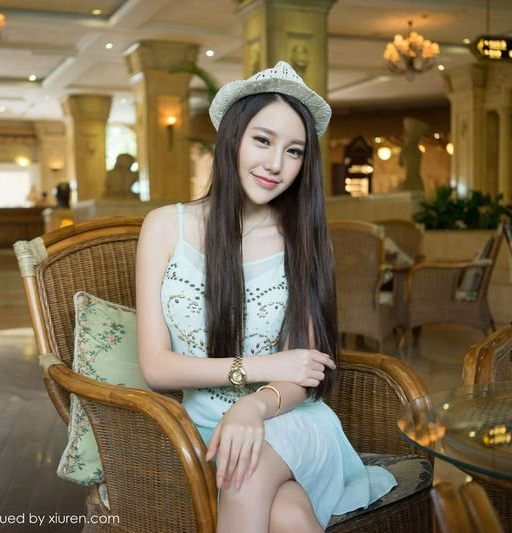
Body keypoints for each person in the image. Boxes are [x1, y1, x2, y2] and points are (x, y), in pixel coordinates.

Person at [136, 61, 396, 532]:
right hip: (201, 431)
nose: (276, 164)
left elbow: (305, 372)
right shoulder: (164, 227)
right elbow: (156, 367)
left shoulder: (302, 242)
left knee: (246, 470)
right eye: (263, 140)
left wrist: (253, 405)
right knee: (288, 515)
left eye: (294, 151)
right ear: (232, 139)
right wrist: (261, 368)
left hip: (290, 419)